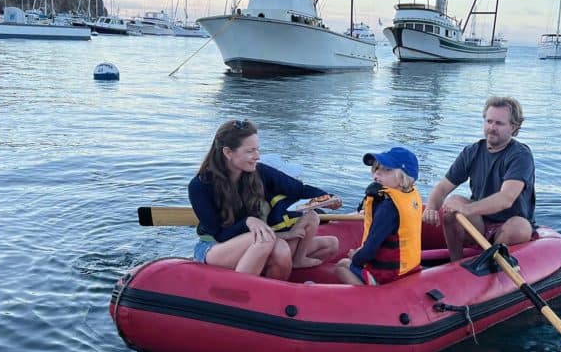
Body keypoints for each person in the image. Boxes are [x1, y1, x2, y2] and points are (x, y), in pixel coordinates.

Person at [189, 119, 341, 278]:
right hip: (214, 246)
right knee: (267, 240)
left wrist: (328, 198)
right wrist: (249, 221)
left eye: (257, 150)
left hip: (254, 241)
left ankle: (271, 297)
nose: (257, 156)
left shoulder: (259, 173)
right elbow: (220, 234)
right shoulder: (200, 186)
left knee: (283, 249)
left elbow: (299, 189)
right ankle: (237, 295)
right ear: (228, 153)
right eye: (250, 151)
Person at [422, 96, 535, 261]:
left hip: (509, 224)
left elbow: (506, 198)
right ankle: (456, 265)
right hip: (479, 223)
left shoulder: (520, 155)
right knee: (453, 202)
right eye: (489, 121)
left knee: (520, 227)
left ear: (513, 127)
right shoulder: (472, 152)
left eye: (499, 123)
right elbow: (443, 188)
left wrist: (468, 209)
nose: (492, 127)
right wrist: (431, 207)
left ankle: (491, 266)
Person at [336, 147, 423, 286]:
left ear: (403, 176)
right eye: (377, 169)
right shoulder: (410, 195)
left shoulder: (388, 208)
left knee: (341, 266)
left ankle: (370, 297)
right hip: (408, 268)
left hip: (388, 275)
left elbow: (369, 251)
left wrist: (356, 258)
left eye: (387, 170)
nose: (377, 175)